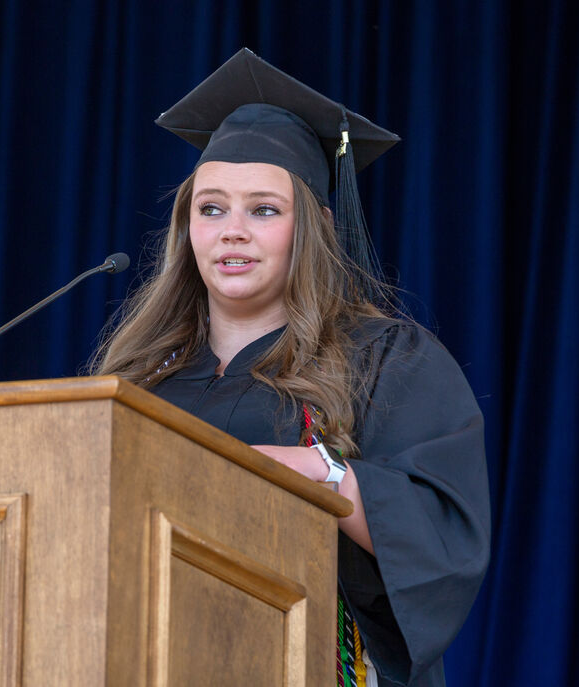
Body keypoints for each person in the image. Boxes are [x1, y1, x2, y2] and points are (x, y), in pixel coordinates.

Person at [90, 49, 490, 687]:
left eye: (265, 210)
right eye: (212, 208)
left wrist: (318, 472)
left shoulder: (383, 361)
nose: (233, 232)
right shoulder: (141, 379)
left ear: (317, 227)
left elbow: (441, 537)